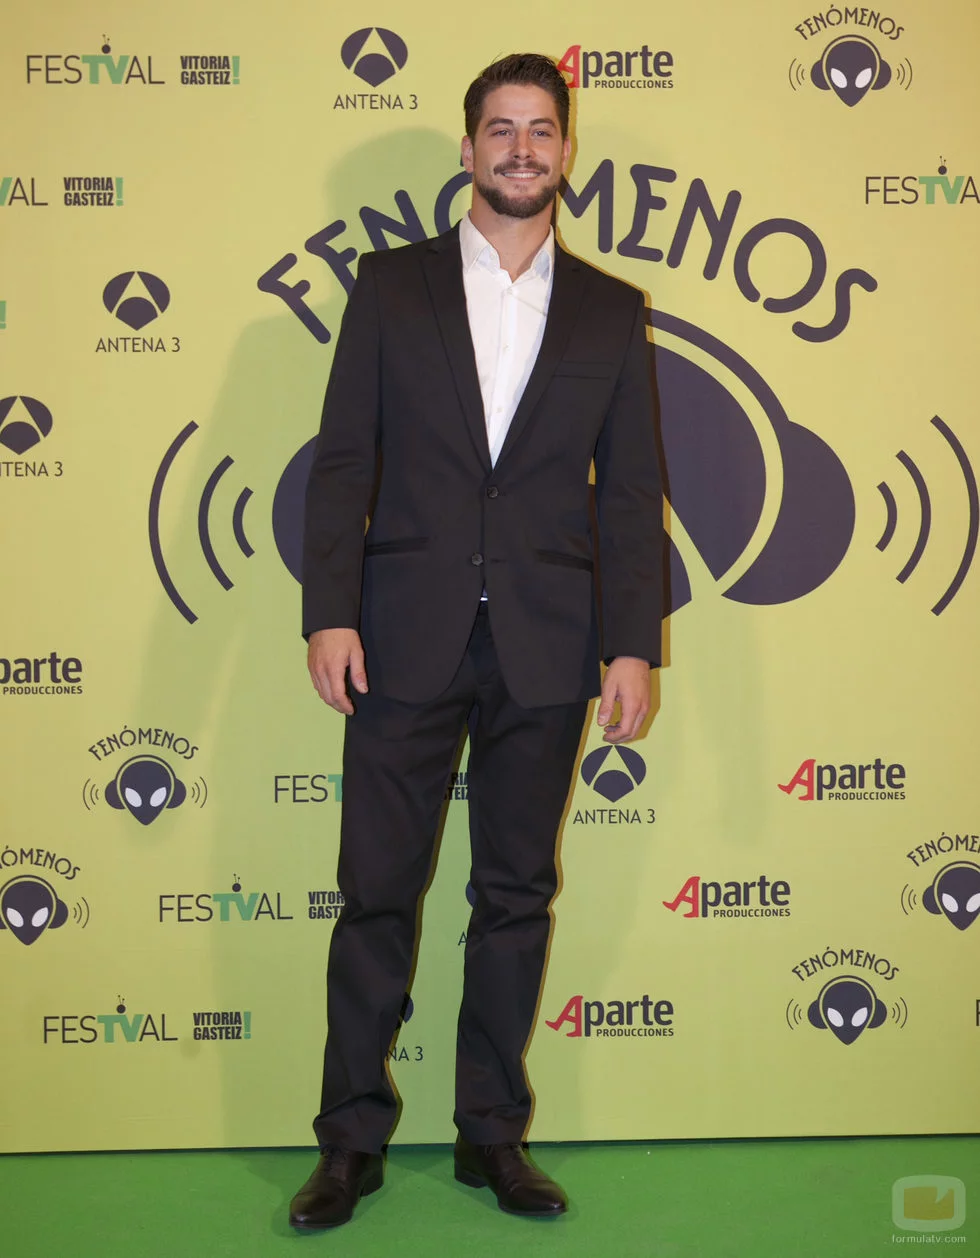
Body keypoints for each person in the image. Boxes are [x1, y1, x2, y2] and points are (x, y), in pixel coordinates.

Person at [289, 51, 664, 1230]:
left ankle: (489, 1134)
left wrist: (630, 643)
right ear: (466, 150)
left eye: (539, 129)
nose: (519, 149)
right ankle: (349, 1140)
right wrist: (329, 609)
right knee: (376, 895)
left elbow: (628, 493)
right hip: (400, 634)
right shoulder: (389, 286)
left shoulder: (610, 308)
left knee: (513, 895)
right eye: (498, 129)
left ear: (565, 150)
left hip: (547, 645)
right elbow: (343, 458)